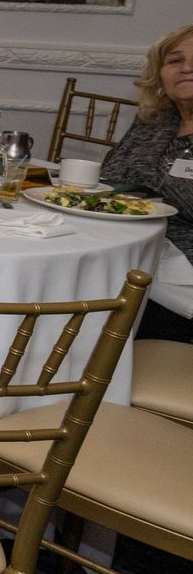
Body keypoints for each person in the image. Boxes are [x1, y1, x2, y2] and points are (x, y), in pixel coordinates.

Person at [100, 22, 193, 341]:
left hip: (178, 291)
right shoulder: (154, 121)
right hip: (132, 259)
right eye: (175, 60)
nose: (187, 69)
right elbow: (110, 178)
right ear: (160, 73)